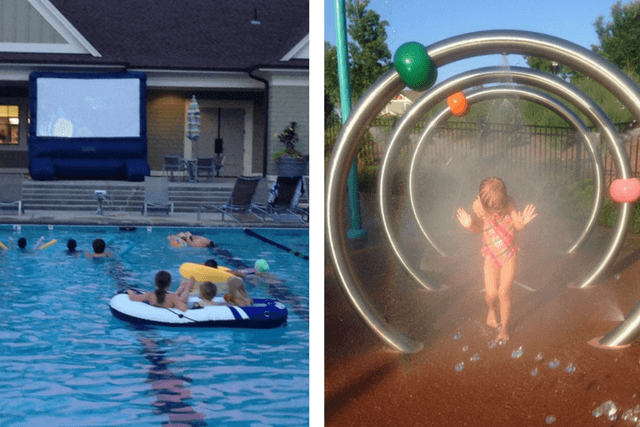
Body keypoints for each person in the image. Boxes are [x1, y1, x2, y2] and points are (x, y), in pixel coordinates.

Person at [456, 177, 537, 343]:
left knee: (503, 292)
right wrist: (469, 224)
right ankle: (491, 310)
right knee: (491, 293)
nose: (497, 214)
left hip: (509, 254)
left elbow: (517, 224)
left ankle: (504, 329)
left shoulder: (510, 204)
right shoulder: (479, 207)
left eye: (499, 210)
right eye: (493, 211)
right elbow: (478, 229)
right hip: (490, 256)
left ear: (505, 200)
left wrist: (524, 222)